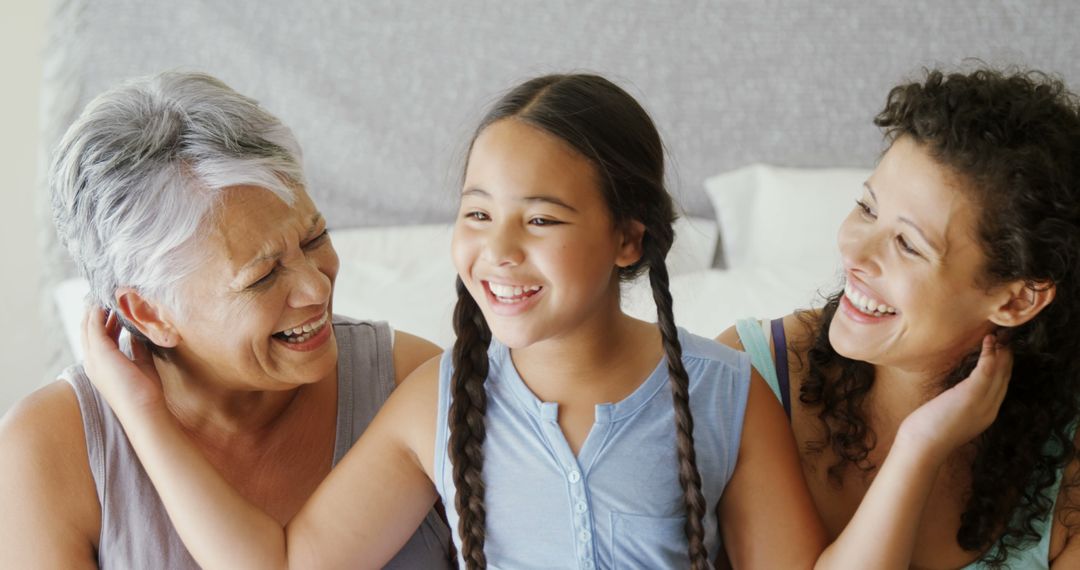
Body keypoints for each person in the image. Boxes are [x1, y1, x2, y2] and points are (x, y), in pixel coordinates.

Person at [79, 72, 1008, 569]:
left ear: (627, 239)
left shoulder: (725, 395)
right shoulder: (436, 404)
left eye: (543, 220)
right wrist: (141, 411)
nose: (498, 250)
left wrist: (922, 443)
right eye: (477, 213)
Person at [0, 71, 452, 568]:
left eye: (314, 239)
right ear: (148, 313)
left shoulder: (411, 384)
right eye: (262, 276)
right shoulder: (47, 451)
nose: (317, 287)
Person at [719, 68, 1080, 568]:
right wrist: (920, 447)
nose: (854, 252)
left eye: (908, 244)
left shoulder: (1066, 457)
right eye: (867, 208)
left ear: (1017, 301)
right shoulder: (743, 378)